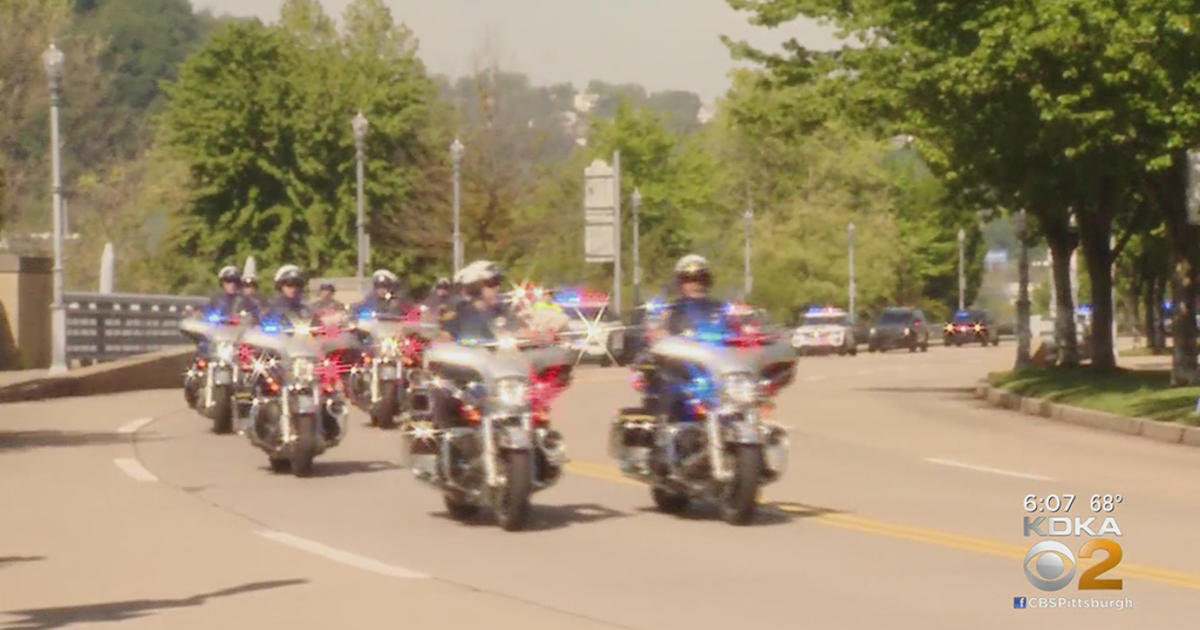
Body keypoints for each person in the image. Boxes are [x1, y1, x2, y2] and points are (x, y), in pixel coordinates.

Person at [441, 260, 521, 343]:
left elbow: (518, 333)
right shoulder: (460, 317)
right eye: (491, 283)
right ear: (475, 287)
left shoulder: (502, 311)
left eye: (498, 282)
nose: (497, 288)